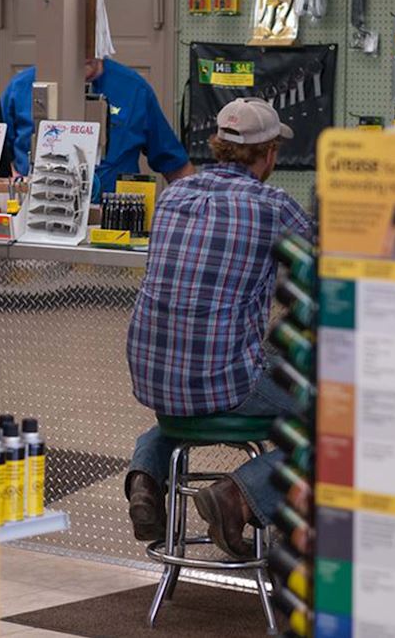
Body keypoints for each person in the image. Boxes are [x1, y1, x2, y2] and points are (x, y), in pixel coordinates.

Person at [122, 98, 314, 559]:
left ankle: (147, 474)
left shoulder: (173, 196)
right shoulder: (273, 206)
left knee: (194, 399)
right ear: (270, 154)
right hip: (222, 383)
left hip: (153, 379)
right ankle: (239, 495)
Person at [1, 56, 194, 198]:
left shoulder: (133, 89)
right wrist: (15, 182)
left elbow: (175, 165)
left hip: (112, 223)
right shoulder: (21, 87)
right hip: (34, 213)